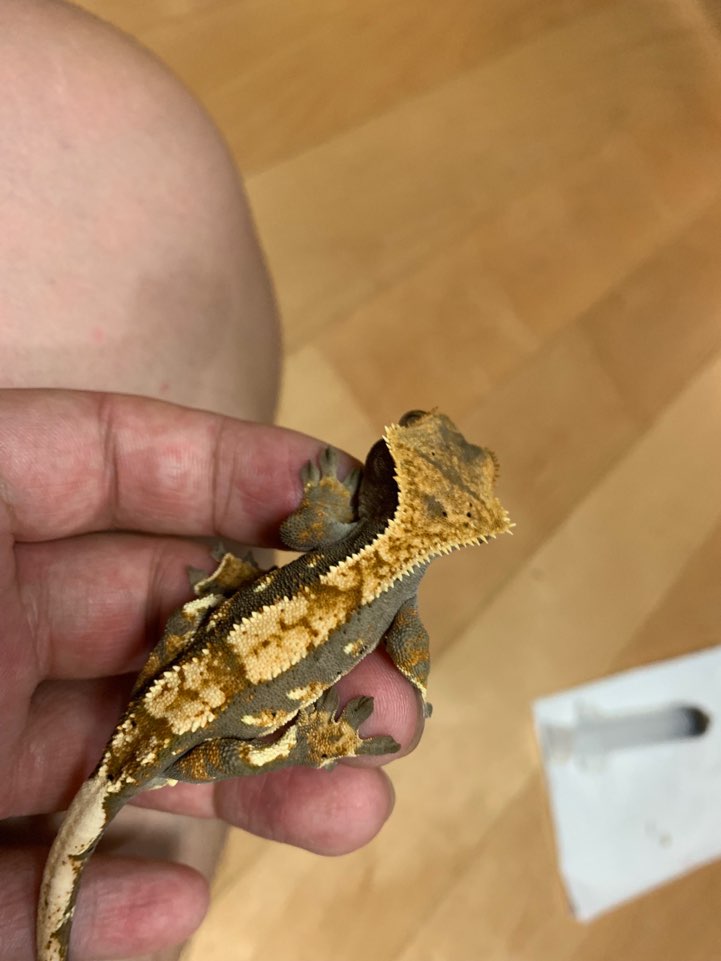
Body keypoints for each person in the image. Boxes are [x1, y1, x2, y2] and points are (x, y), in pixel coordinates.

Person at [0, 2, 422, 958]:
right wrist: (329, 727)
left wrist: (319, 723)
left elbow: (395, 637)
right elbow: (401, 645)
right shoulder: (383, 574)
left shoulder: (375, 566)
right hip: (187, 708)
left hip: (191, 707)